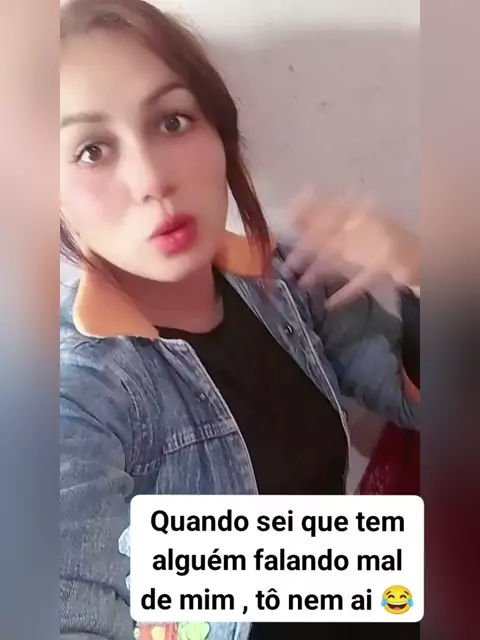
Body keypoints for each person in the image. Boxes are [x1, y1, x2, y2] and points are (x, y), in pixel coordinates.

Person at [60, 1, 420, 639]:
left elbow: (417, 405)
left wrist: (423, 271)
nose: (151, 178)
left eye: (172, 121)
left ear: (219, 134)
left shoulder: (281, 277)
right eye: (92, 151)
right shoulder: (75, 391)